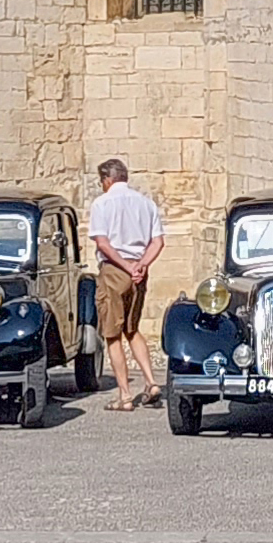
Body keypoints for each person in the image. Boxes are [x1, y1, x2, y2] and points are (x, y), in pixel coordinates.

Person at [89, 155, 166, 410]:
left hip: (115, 270)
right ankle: (152, 381)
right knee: (132, 329)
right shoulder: (146, 204)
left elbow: (102, 242)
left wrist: (125, 265)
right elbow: (158, 242)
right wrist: (141, 265)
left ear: (107, 180)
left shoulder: (102, 204)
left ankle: (124, 395)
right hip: (139, 273)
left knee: (112, 334)